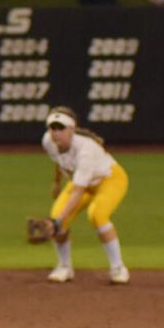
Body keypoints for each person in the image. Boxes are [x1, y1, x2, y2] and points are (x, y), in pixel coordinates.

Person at [39, 106, 130, 285]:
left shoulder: (86, 151)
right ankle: (64, 267)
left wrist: (56, 223)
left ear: (71, 130)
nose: (56, 133)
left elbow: (78, 191)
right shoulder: (48, 141)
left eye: (61, 128)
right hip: (82, 182)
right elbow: (59, 160)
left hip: (109, 179)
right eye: (52, 128)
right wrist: (56, 182)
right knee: (59, 215)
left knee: (97, 215)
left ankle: (118, 268)